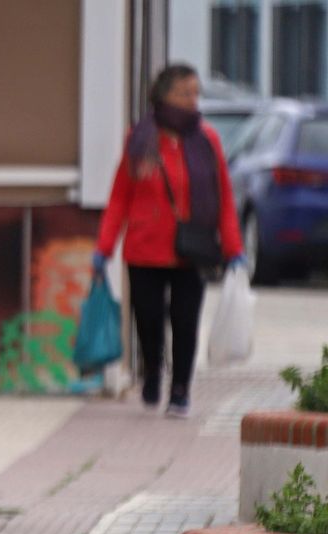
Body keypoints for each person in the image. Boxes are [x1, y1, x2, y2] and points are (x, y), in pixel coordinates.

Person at [94, 63, 244, 418]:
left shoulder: (207, 140)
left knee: (185, 320)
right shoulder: (141, 139)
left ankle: (180, 390)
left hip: (191, 248)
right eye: (185, 93)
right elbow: (119, 198)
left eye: (196, 93)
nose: (194, 100)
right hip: (144, 248)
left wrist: (234, 248)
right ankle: (152, 371)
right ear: (164, 96)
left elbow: (223, 196)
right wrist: (103, 247)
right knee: (147, 319)